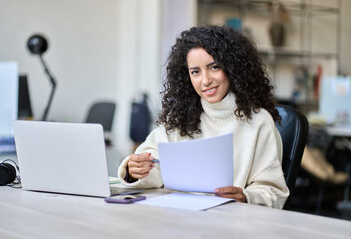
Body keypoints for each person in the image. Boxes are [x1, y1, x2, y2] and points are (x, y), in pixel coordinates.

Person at [118, 25, 289, 209]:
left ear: (232, 68)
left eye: (214, 67)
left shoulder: (258, 122)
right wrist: (134, 170)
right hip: (178, 218)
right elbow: (155, 166)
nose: (205, 80)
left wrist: (246, 197)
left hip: (231, 223)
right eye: (195, 72)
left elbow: (273, 192)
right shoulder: (181, 116)